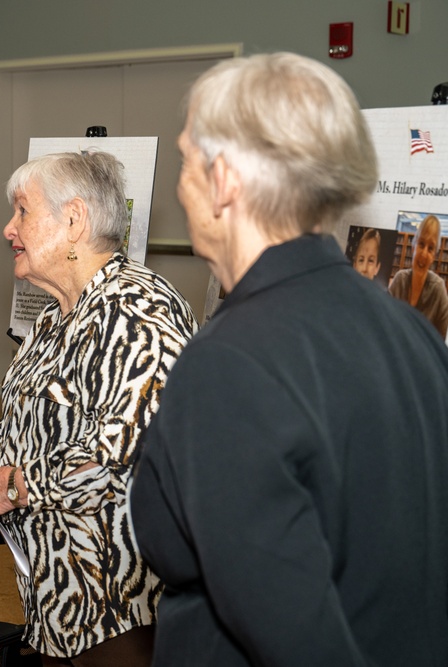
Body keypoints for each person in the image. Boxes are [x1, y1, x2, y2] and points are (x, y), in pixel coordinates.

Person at [130, 53, 448, 666]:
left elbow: (294, 638)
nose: (180, 184)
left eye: (187, 161)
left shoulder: (228, 364)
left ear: (224, 181)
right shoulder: (410, 333)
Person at [0, 151, 197, 665]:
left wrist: (15, 486)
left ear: (74, 219)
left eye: (22, 211)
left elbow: (125, 456)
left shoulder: (137, 312)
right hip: (56, 601)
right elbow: (23, 433)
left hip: (122, 607)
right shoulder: (54, 318)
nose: (8, 228)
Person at [389, 214, 448, 338]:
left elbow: (438, 347)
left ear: (434, 257)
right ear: (413, 247)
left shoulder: (438, 290)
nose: (424, 253)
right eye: (421, 244)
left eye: (430, 248)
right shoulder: (399, 281)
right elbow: (384, 325)